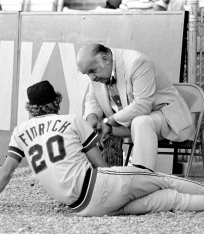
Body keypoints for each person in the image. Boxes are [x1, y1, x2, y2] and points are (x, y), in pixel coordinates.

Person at [0, 80, 204, 217]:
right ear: (56, 102)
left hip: (84, 209)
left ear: (30, 108)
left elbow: (5, 174)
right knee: (162, 180)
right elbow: (99, 161)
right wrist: (124, 179)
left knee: (166, 201)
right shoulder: (70, 119)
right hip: (98, 183)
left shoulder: (21, 131)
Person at [76, 43, 194, 172]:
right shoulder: (98, 72)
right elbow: (92, 100)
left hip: (167, 119)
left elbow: (143, 105)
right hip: (129, 123)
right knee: (92, 129)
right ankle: (104, 179)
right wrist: (91, 120)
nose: (92, 78)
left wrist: (107, 122)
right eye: (88, 74)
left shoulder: (137, 63)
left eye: (92, 71)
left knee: (141, 121)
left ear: (105, 59)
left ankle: (141, 177)